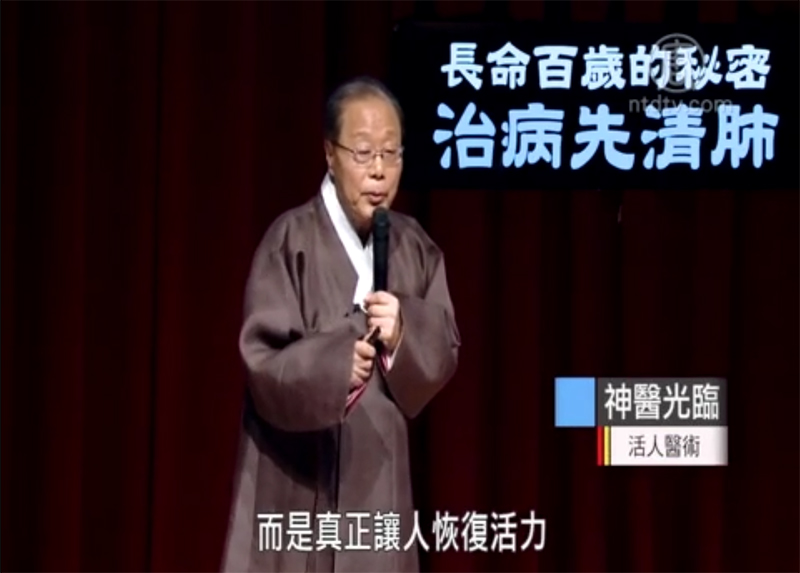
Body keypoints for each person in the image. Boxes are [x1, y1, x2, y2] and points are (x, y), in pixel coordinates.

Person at [220, 77, 461, 573]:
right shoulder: (291, 240)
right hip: (298, 476)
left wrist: (404, 332)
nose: (379, 171)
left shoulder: (415, 247)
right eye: (364, 153)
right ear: (330, 154)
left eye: (391, 154)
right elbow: (262, 363)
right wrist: (334, 366)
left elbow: (445, 346)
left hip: (377, 480)